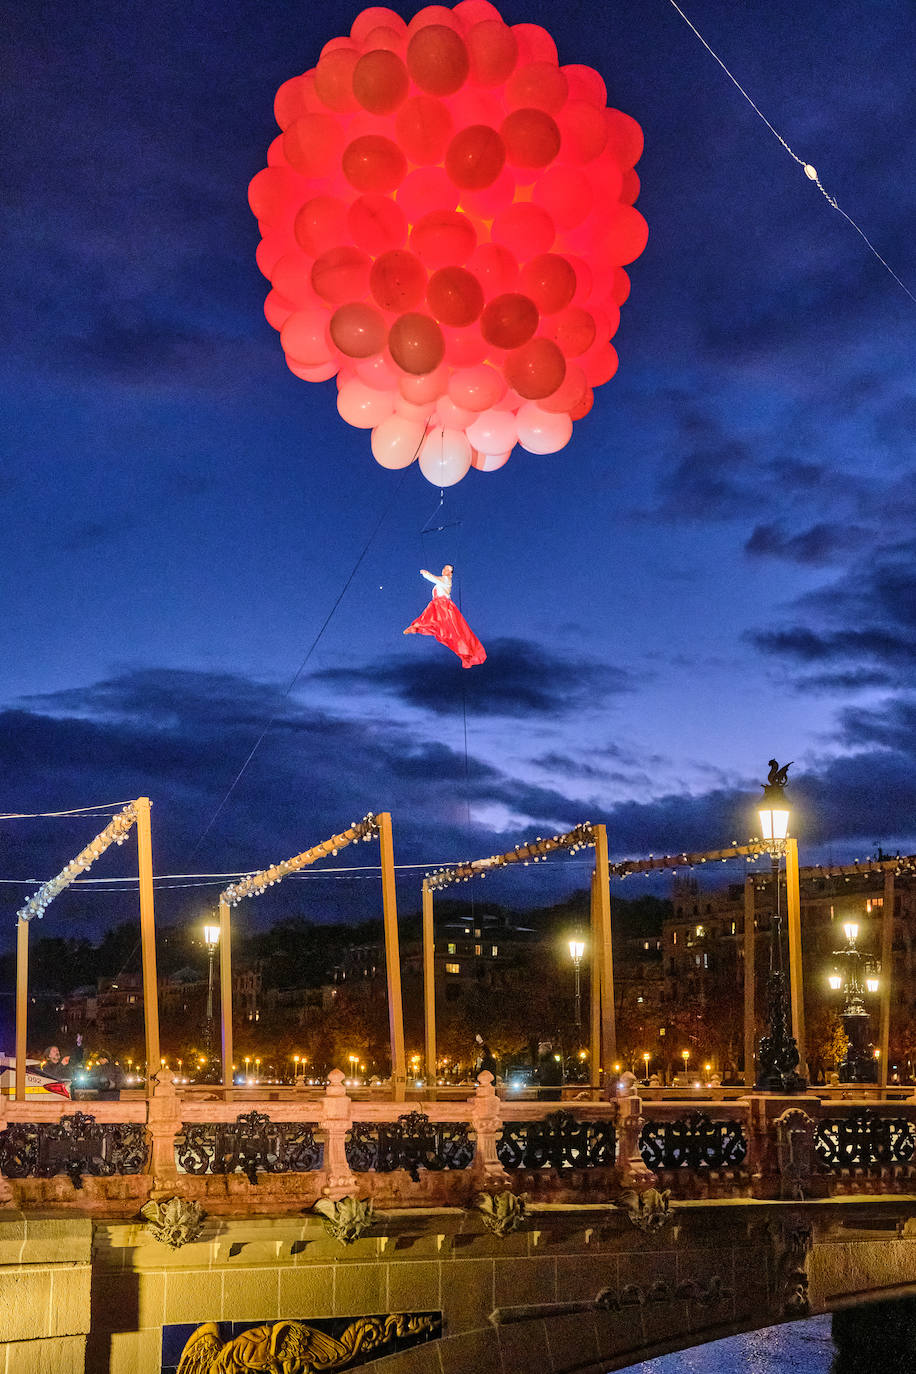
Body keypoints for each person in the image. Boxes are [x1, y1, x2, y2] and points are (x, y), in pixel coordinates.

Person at [403, 565, 486, 669]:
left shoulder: (446, 579)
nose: (444, 570)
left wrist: (426, 573)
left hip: (443, 604)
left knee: (447, 629)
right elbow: (437, 582)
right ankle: (416, 627)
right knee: (433, 621)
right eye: (444, 568)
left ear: (450, 573)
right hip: (437, 603)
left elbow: (435, 579)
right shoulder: (444, 580)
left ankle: (466, 653)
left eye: (448, 569)